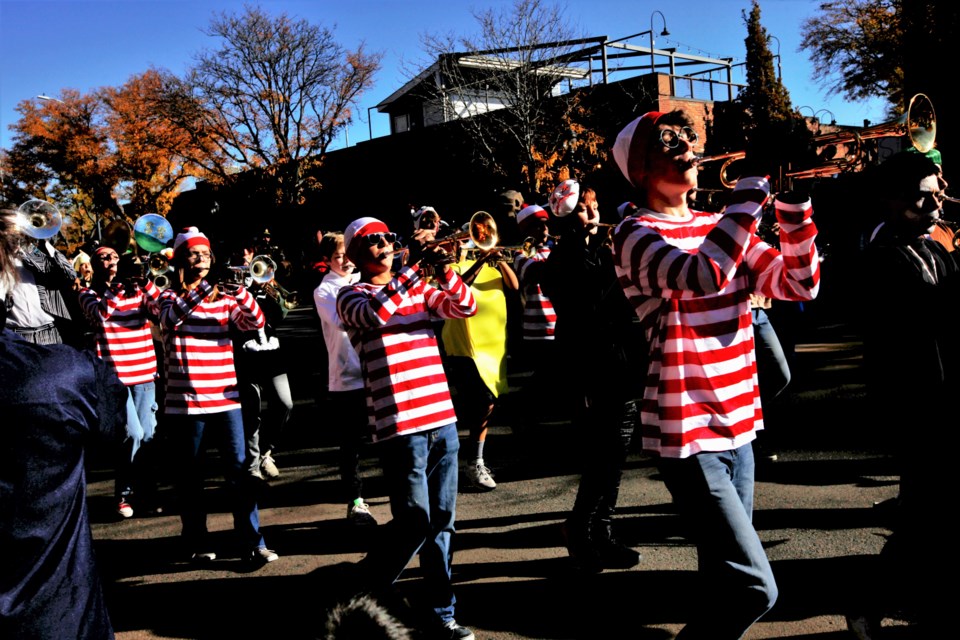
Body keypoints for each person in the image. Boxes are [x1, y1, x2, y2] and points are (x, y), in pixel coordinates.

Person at [611, 110, 820, 638]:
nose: (687, 146)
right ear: (639, 168)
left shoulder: (718, 226)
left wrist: (793, 201)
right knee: (755, 588)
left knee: (723, 580)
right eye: (668, 141)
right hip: (687, 433)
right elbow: (700, 275)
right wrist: (750, 190)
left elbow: (799, 285)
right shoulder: (633, 233)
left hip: (741, 423)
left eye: (688, 137)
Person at [336, 217, 476, 640]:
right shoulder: (351, 295)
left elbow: (464, 306)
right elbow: (377, 316)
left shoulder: (418, 288)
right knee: (414, 523)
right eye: (371, 242)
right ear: (356, 255)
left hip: (442, 420)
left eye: (386, 239)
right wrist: (415, 269)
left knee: (442, 524)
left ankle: (440, 612)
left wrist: (446, 270)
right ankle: (361, 593)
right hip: (400, 426)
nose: (383, 246)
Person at [1, 208, 129, 640]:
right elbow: (112, 431)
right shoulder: (70, 374)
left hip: (42, 342)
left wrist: (37, 244)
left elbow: (64, 278)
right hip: (57, 620)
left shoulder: (43, 255)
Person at [853, 151, 957, 639]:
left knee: (931, 511)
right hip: (917, 400)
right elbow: (916, 318)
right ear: (889, 200)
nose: (933, 203)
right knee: (924, 513)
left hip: (942, 393)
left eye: (936, 193)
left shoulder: (935, 248)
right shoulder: (880, 257)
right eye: (921, 195)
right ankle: (869, 605)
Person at [158, 226, 278, 565]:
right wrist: (205, 289)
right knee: (191, 479)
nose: (202, 258)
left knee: (241, 474)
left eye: (206, 254)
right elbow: (169, 320)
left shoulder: (224, 298)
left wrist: (239, 292)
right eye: (195, 253)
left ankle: (253, 542)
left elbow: (255, 321)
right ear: (181, 257)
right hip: (184, 404)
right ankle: (196, 541)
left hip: (225, 401)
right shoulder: (168, 294)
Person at [542, 181, 645, 573]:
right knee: (602, 454)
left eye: (595, 204)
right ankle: (579, 528)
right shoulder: (565, 259)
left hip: (619, 358)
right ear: (568, 217)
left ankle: (602, 529)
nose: (595, 212)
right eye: (586, 207)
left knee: (616, 452)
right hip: (592, 362)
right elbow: (593, 305)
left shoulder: (597, 250)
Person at [78, 244, 162, 518]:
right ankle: (124, 494)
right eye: (104, 257)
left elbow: (161, 310)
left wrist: (145, 281)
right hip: (115, 377)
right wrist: (117, 288)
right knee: (133, 435)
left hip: (145, 373)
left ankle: (147, 492)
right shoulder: (89, 293)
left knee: (148, 436)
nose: (111, 260)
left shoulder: (138, 291)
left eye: (115, 256)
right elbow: (101, 315)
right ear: (94, 265)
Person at [442, 235, 519, 491]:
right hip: (465, 347)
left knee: (487, 403)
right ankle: (471, 461)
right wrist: (481, 261)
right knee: (477, 404)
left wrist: (498, 260)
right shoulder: (450, 270)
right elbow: (459, 288)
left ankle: (473, 461)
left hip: (493, 345)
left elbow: (515, 286)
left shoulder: (490, 267)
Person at [313, 231, 378, 525]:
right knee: (351, 444)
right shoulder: (324, 290)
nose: (346, 261)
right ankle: (355, 501)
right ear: (327, 261)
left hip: (376, 369)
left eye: (348, 254)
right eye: (339, 257)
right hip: (347, 375)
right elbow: (344, 320)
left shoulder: (366, 279)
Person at [233, 248, 295, 481]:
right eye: (242, 258)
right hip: (245, 356)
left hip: (272, 354)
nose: (247, 262)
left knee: (285, 403)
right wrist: (245, 292)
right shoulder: (232, 287)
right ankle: (253, 465)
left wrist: (267, 292)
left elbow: (281, 314)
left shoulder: (268, 285)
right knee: (252, 412)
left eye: (251, 258)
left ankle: (266, 451)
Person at [4, 225, 79, 346]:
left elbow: (69, 275)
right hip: (14, 335)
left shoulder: (36, 253)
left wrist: (42, 242)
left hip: (50, 332)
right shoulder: (2, 259)